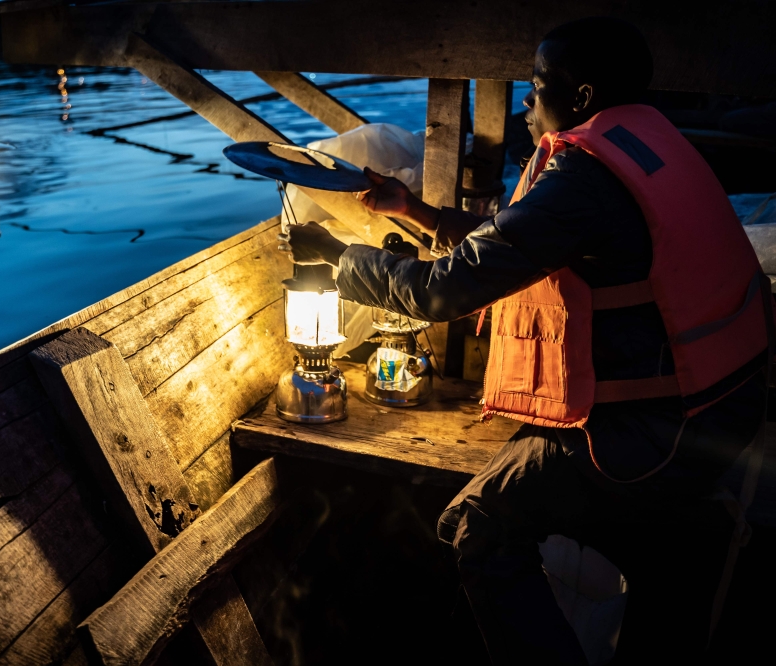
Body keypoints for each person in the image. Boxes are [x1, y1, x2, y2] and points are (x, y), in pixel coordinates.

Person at [284, 16, 771, 665]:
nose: (525, 103)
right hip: (724, 404)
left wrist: (341, 263)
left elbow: (441, 294)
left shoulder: (584, 177)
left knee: (477, 527)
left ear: (582, 97)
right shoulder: (650, 144)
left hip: (653, 435)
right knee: (645, 543)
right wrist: (414, 211)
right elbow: (517, 240)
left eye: (537, 87)